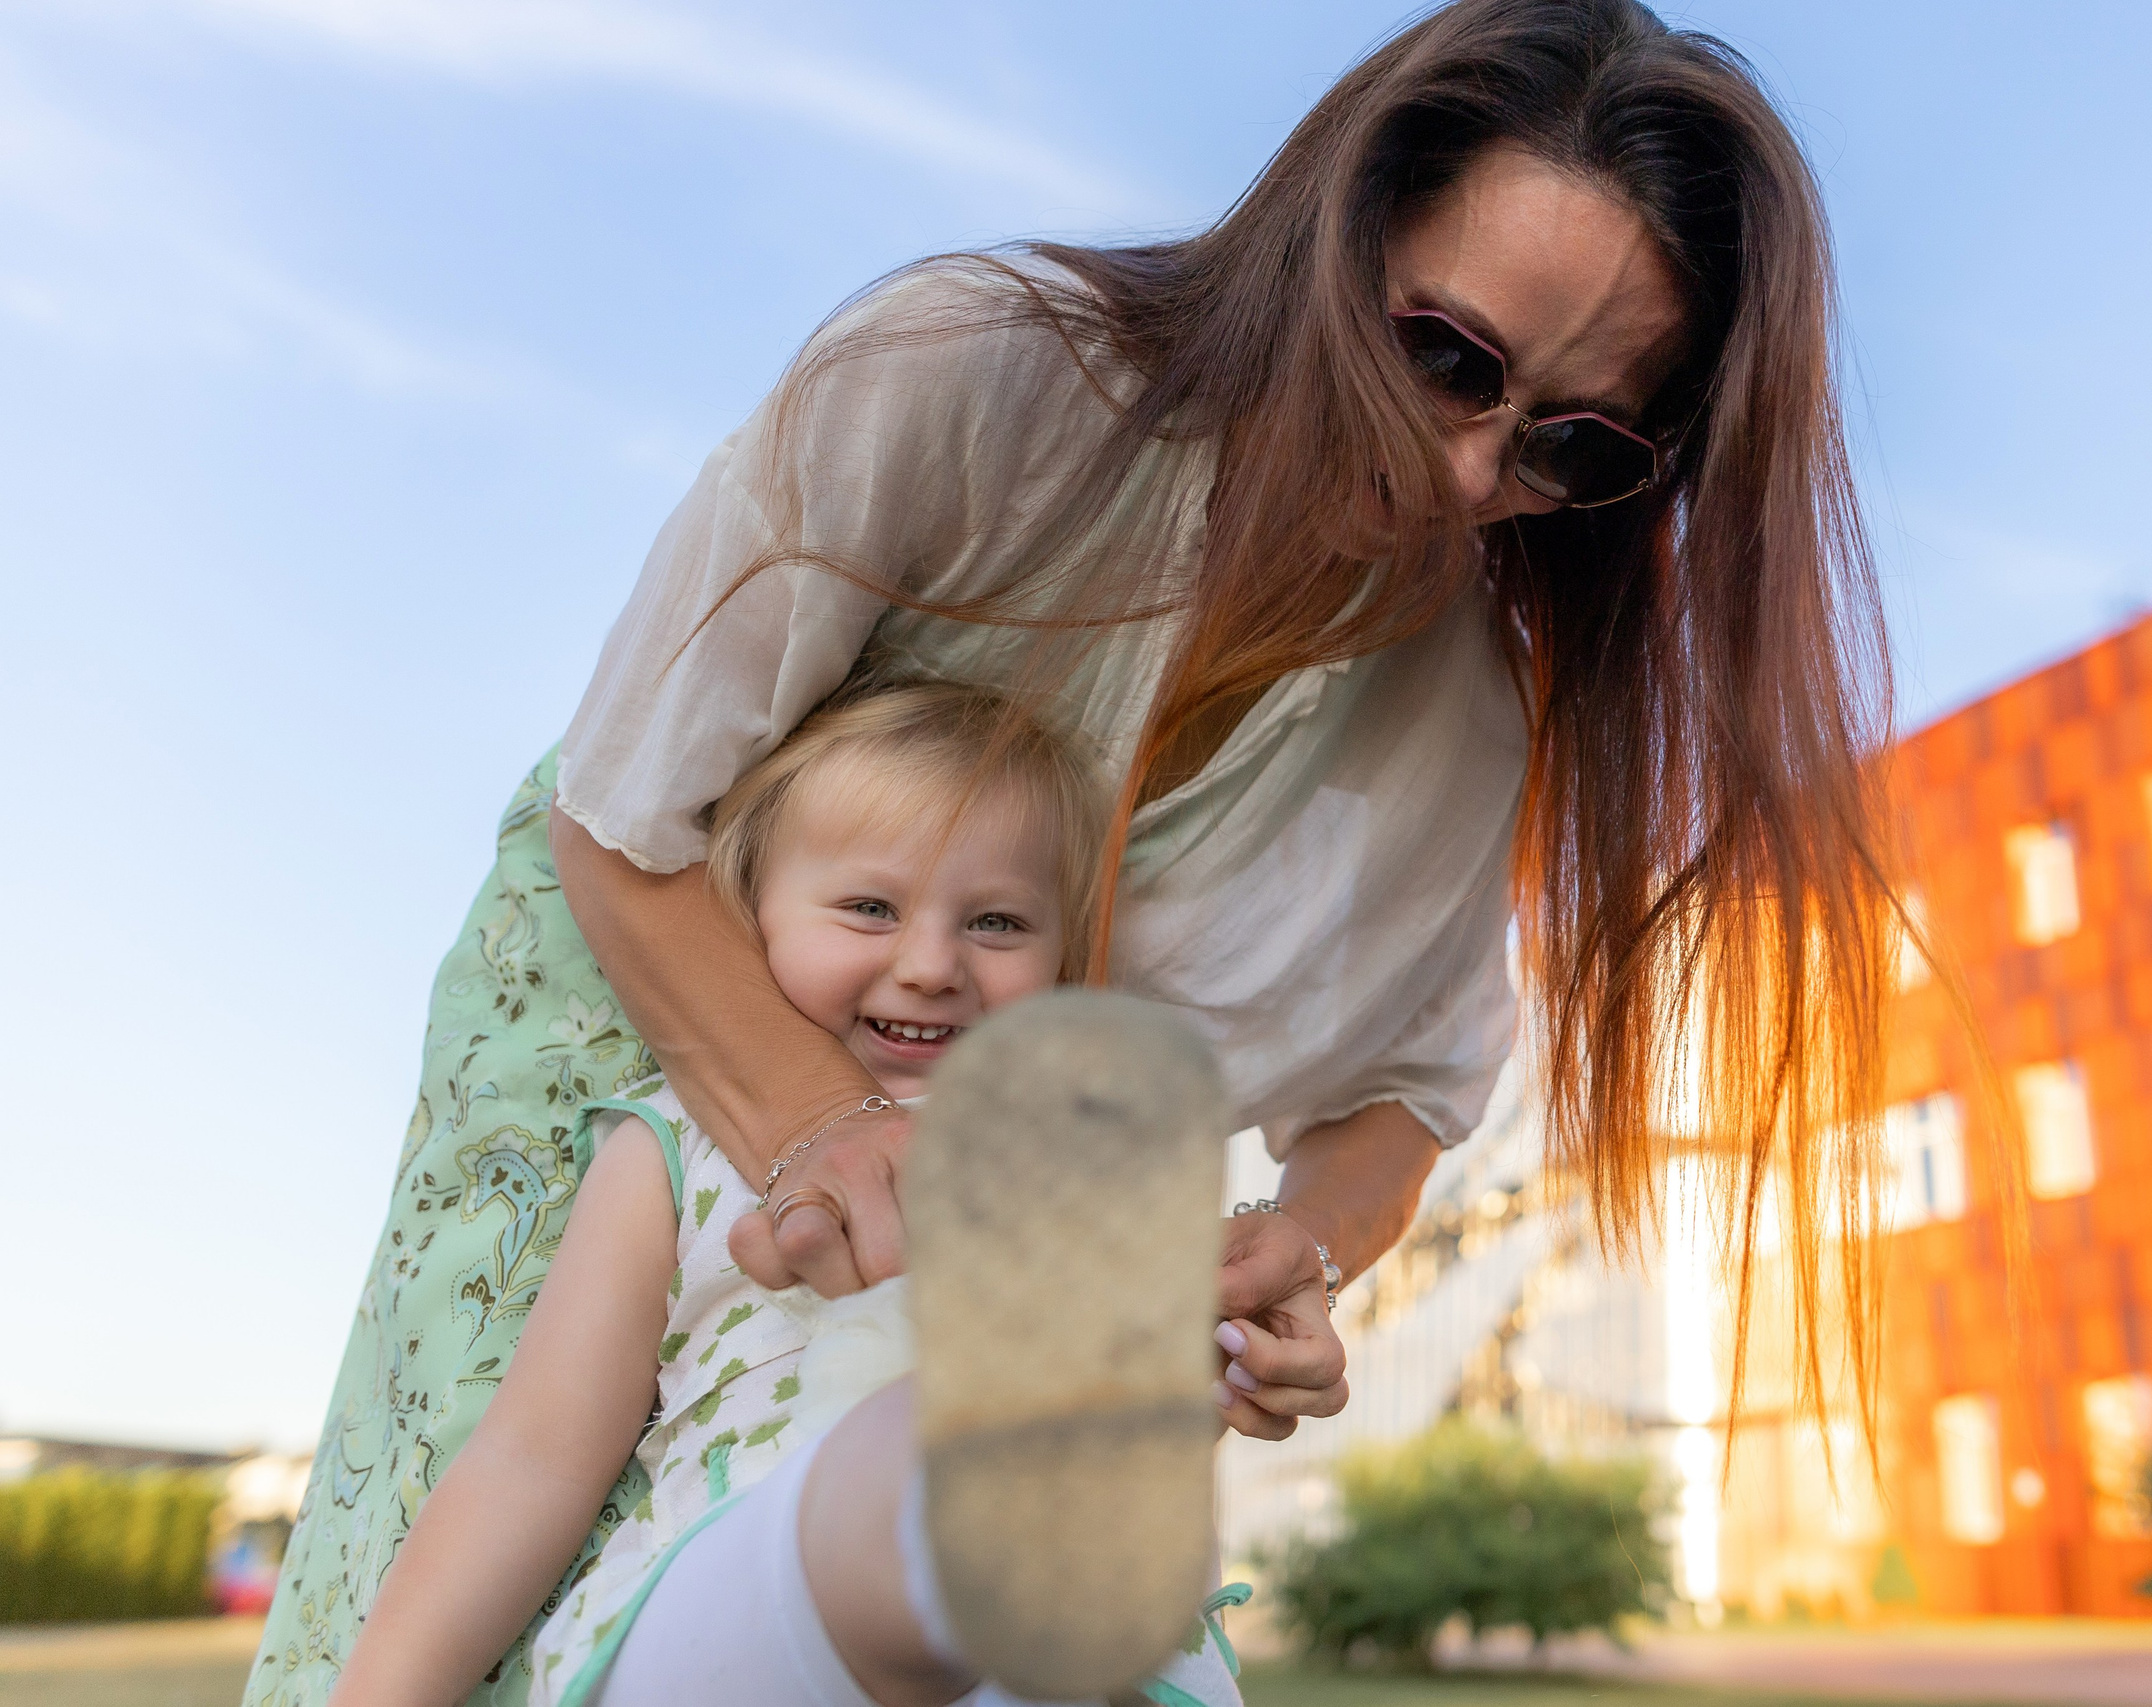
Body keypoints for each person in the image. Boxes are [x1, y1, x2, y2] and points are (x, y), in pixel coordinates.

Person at [251, 3, 1903, 1700]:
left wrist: (1296, 1246)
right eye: (1448, 354)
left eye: (1574, 445)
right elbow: (626, 816)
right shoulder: (968, 369)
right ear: (1339, 232)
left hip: (1009, 1362)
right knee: (475, 1584)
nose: (1471, 468)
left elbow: (1412, 1090)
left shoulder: (1465, 715)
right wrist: (827, 1131)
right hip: (627, 1064)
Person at [329, 683, 1246, 1707]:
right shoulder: (677, 1144)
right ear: (748, 917)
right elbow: (535, 1458)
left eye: (996, 922)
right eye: (868, 908)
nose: (932, 964)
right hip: (745, 1590)